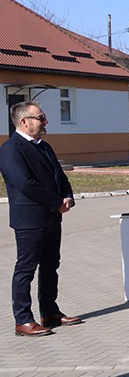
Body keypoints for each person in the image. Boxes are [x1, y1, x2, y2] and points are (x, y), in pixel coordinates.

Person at [0, 102, 83, 336]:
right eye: (40, 117)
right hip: (29, 219)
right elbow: (26, 184)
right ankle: (23, 320)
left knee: (50, 266)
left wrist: (67, 196)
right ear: (24, 121)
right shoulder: (10, 149)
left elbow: (59, 175)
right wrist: (55, 202)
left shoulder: (44, 147)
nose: (45, 121)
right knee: (26, 269)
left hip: (51, 217)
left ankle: (50, 312)